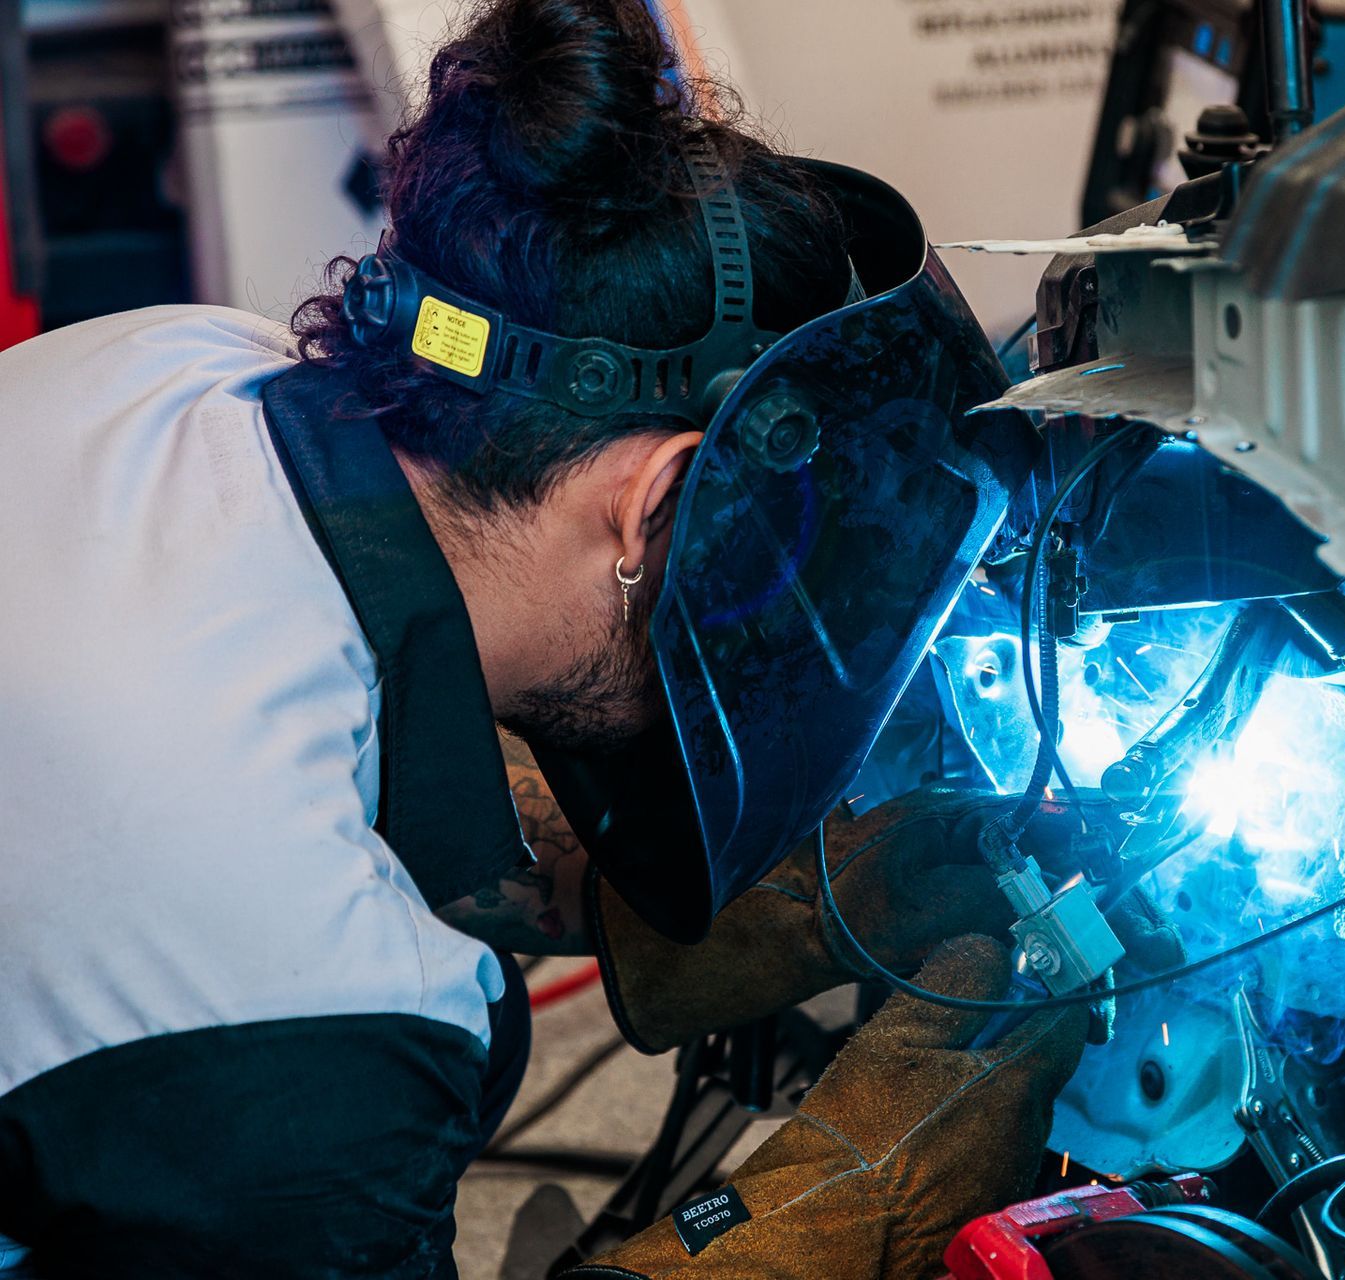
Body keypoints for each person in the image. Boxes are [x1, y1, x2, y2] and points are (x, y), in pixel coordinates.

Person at [0, 0, 1096, 1273]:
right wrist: (861, 1195)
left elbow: (303, 761)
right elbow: (249, 913)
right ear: (656, 498)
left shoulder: (175, 364)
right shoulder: (312, 1028)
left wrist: (772, 900)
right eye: (758, 562)